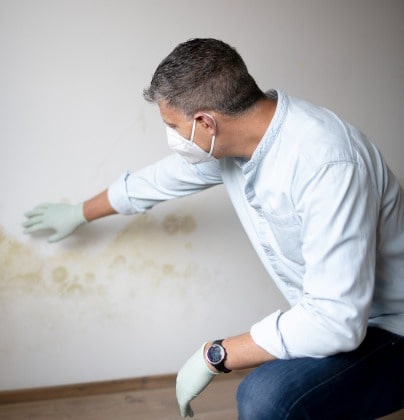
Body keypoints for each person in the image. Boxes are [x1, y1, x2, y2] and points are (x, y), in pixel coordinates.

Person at [22, 38, 404, 419]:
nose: (172, 138)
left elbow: (334, 322)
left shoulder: (325, 163)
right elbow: (155, 181)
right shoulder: (236, 144)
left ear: (206, 122)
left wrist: (216, 355)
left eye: (172, 125)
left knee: (267, 396)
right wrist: (79, 212)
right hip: (344, 320)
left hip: (391, 330)